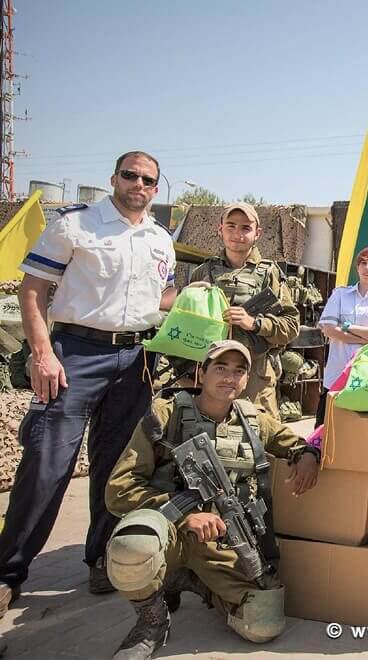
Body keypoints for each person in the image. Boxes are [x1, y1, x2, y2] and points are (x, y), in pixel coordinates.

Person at [0, 151, 176, 617]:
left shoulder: (161, 239)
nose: (138, 184)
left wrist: (200, 297)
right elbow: (32, 290)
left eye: (148, 179)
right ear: (113, 178)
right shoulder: (74, 225)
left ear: (157, 189)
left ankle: (100, 557)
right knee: (47, 465)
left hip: (136, 357)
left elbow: (162, 296)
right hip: (75, 354)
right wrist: (42, 354)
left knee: (118, 467)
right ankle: (8, 572)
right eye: (130, 175)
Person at [104, 340, 320, 659]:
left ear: (247, 379)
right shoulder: (167, 413)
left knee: (263, 625)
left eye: (239, 371)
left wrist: (308, 454)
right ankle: (152, 620)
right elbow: (119, 488)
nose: (230, 378)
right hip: (171, 530)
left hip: (221, 542)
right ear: (202, 372)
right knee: (133, 546)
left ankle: (193, 581)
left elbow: (295, 443)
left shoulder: (254, 420)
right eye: (220, 368)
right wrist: (182, 516)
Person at [188, 202, 300, 418]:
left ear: (257, 233)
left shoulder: (270, 274)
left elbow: (291, 325)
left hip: (255, 377)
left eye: (245, 228)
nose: (237, 234)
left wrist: (254, 323)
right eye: (231, 226)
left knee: (260, 441)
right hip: (210, 375)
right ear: (220, 229)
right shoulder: (203, 272)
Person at [314, 247, 368, 426]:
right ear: (357, 268)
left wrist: (348, 327)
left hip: (367, 379)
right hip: (337, 376)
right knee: (325, 432)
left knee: (359, 433)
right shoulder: (340, 295)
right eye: (363, 263)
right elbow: (328, 329)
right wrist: (364, 338)